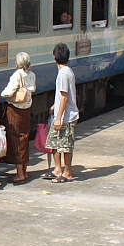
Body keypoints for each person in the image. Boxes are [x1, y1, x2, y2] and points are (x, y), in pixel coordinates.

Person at [1, 52, 37, 183]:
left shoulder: (17, 75)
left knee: (16, 140)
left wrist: (3, 94)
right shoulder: (32, 75)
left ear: (18, 63)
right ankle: (24, 172)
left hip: (15, 110)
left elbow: (8, 92)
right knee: (24, 138)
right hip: (27, 109)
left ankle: (20, 173)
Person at [46, 43, 78, 183]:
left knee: (65, 145)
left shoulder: (63, 74)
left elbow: (65, 96)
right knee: (54, 143)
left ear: (55, 58)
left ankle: (67, 173)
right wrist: (55, 105)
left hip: (66, 117)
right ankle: (58, 169)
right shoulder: (67, 71)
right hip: (62, 113)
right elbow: (64, 96)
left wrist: (58, 117)